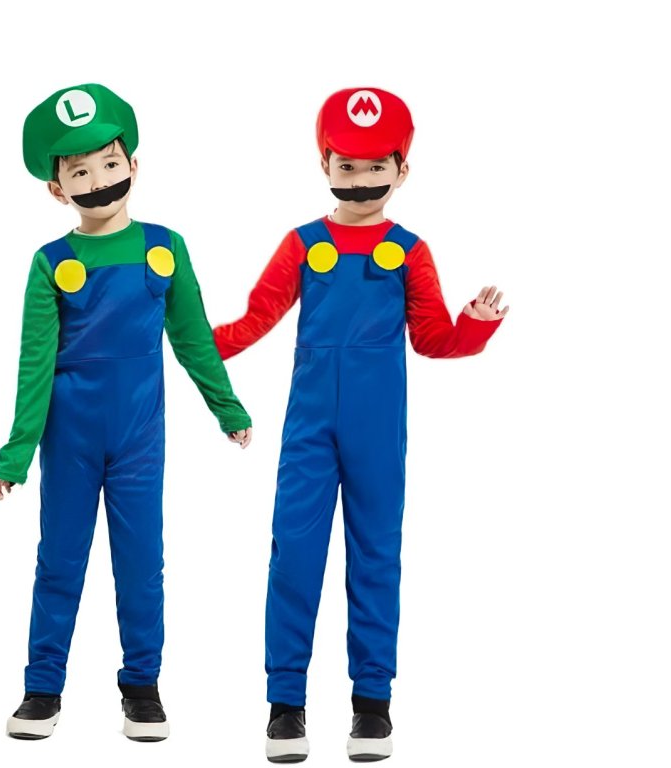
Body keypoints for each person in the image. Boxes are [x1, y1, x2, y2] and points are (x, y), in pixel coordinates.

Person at [213, 87, 508, 762]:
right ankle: (285, 705)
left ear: (403, 170)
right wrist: (193, 341)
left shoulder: (410, 251)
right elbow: (255, 320)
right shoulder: (301, 244)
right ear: (324, 164)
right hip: (309, 432)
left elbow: (432, 339)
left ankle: (372, 706)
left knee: (375, 555)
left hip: (377, 433)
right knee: (294, 554)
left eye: (378, 166)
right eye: (347, 165)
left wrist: (475, 326)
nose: (361, 179)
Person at [0, 82, 253, 743]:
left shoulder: (166, 247)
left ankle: (142, 686)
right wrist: (16, 454)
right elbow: (34, 364)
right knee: (59, 562)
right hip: (69, 443)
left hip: (139, 442)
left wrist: (226, 407)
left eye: (109, 163)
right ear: (57, 189)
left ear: (134, 163)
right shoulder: (51, 263)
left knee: (141, 564)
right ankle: (41, 688)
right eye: (79, 172)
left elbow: (192, 337)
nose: (99, 181)